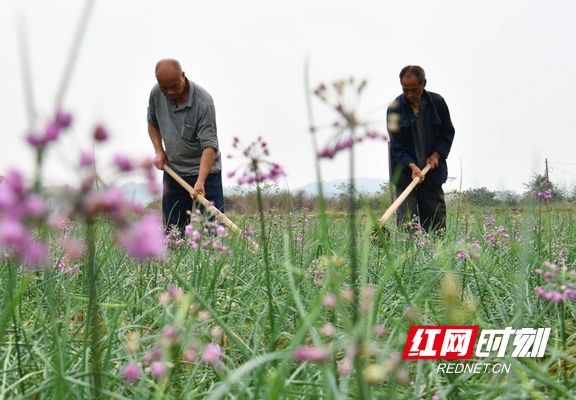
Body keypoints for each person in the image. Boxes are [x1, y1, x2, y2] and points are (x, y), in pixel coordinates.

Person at [147, 58, 224, 232]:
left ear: (183, 76)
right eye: (164, 87)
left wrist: (201, 181)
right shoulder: (156, 94)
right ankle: (174, 259)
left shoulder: (203, 103)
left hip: (206, 174)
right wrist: (159, 151)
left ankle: (215, 257)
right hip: (174, 172)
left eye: (174, 86)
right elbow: (152, 122)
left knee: (212, 229)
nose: (169, 92)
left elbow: (209, 146)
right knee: (173, 230)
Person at [387, 65, 455, 233]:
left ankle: (436, 257)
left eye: (414, 90)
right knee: (407, 224)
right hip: (405, 174)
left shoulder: (437, 103)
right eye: (405, 90)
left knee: (436, 222)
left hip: (432, 172)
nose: (410, 95)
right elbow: (397, 145)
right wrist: (411, 166)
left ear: (424, 83)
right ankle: (408, 257)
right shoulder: (394, 109)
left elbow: (447, 132)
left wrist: (437, 154)